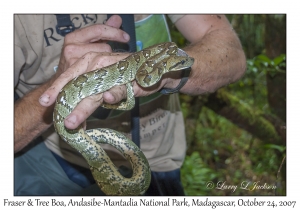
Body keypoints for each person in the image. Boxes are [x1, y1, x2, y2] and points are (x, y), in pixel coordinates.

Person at [14, 14, 246, 195]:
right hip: (62, 166)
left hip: (162, 163)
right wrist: (57, 85)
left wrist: (167, 74)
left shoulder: (162, 62)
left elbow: (231, 52)